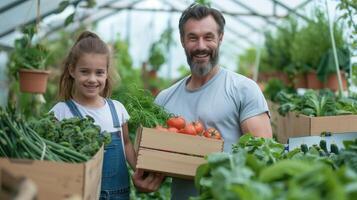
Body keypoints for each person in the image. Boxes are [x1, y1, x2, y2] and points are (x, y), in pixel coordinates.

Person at [154, 3, 272, 200]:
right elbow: (157, 162)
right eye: (193, 38)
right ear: (183, 41)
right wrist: (147, 179)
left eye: (208, 37)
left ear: (221, 38)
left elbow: (264, 158)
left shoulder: (243, 90)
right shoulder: (165, 98)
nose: (201, 46)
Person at [50, 31, 163, 200]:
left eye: (99, 72)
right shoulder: (61, 112)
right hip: (79, 194)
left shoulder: (116, 109)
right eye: (85, 72)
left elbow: (125, 143)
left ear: (106, 72)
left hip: (120, 194)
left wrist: (141, 171)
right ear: (72, 70)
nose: (92, 79)